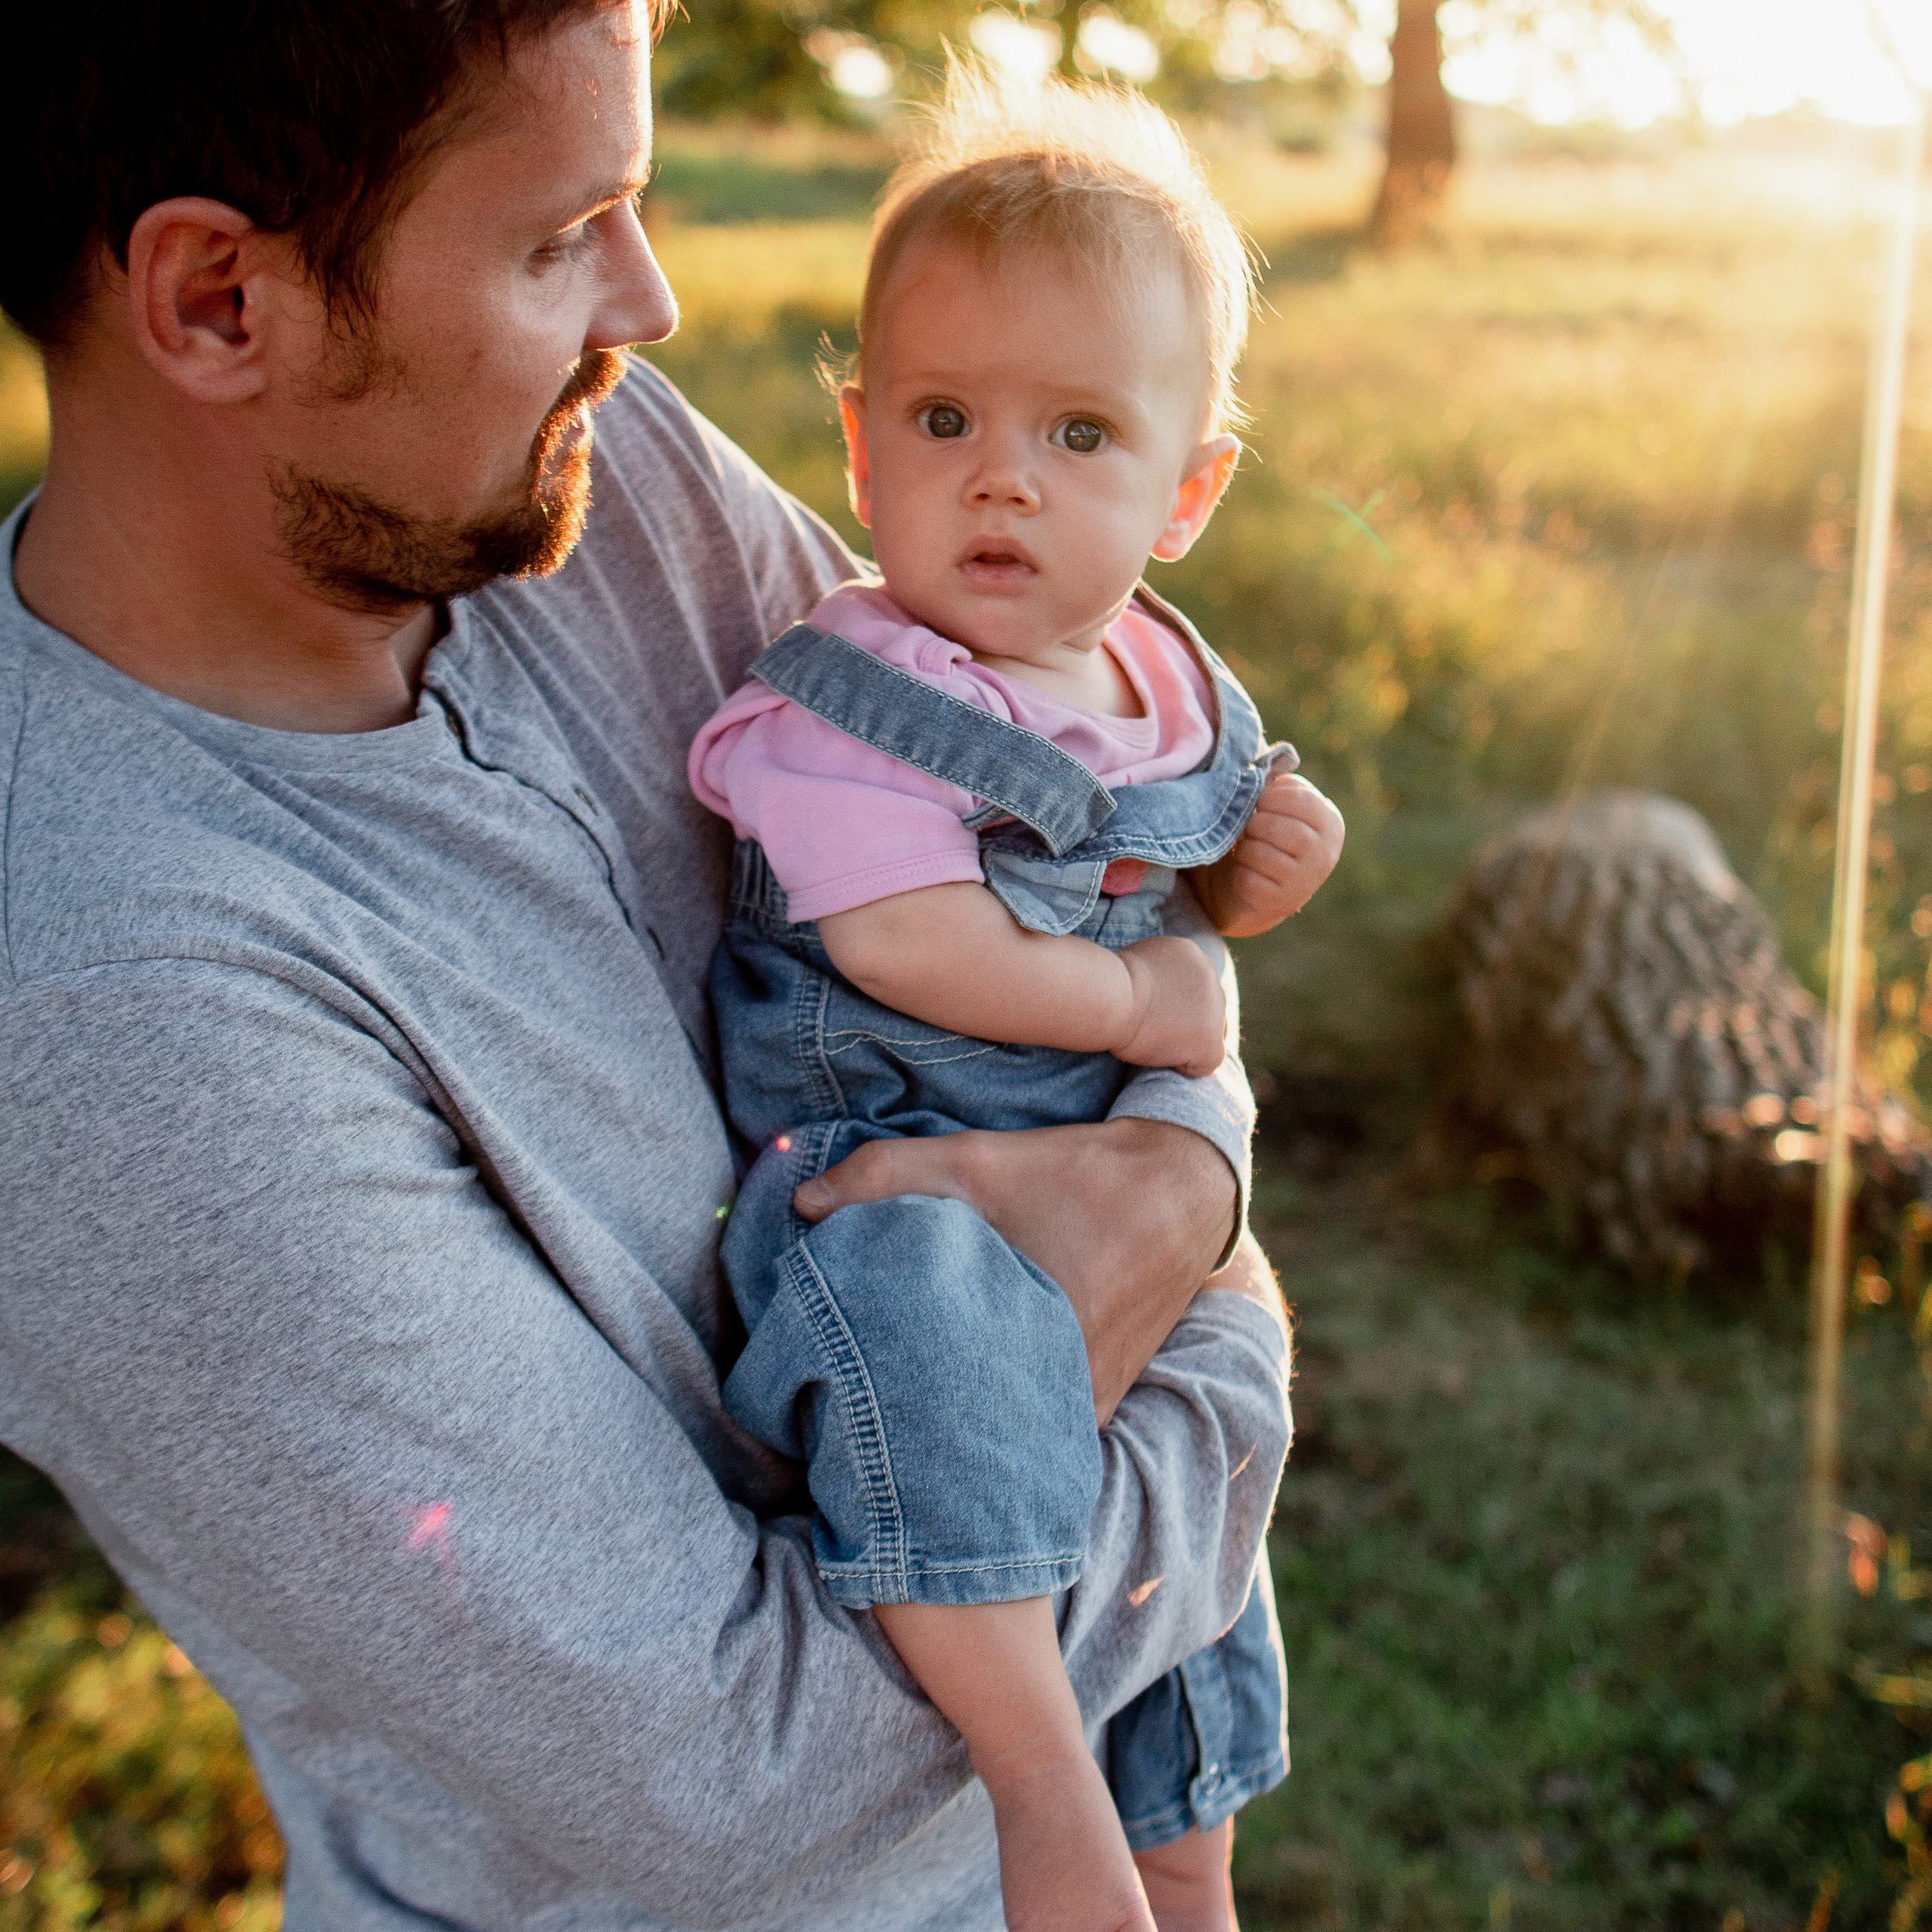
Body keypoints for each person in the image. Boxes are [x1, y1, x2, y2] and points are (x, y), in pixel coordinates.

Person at [0, 4, 1293, 1927]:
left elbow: (1080, 890)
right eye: (556, 236)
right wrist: (1221, 1336)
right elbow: (745, 1784)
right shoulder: (108, 1022)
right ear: (213, 303)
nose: (652, 303)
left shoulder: (566, 485)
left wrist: (1174, 1167)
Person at [688, 69, 1343, 1932]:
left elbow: (1183, 847)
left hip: (1085, 1153)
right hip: (877, 1160)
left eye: (1077, 433)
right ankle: (1044, 1788)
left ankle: (1190, 1851)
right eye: (945, 416)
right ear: (857, 441)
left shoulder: (1147, 678)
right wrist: (1154, 993)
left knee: (1198, 1520)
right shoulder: (850, 696)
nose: (999, 476)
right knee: (935, 1354)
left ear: (1186, 486)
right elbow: (910, 947)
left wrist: (1252, 863)